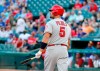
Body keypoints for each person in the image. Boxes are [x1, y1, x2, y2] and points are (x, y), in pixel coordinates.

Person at [34, 5, 71, 71]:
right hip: (64, 49)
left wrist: (40, 51)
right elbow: (68, 42)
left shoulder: (50, 23)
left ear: (55, 12)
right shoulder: (67, 25)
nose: (50, 12)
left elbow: (46, 37)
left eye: (52, 11)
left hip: (52, 49)